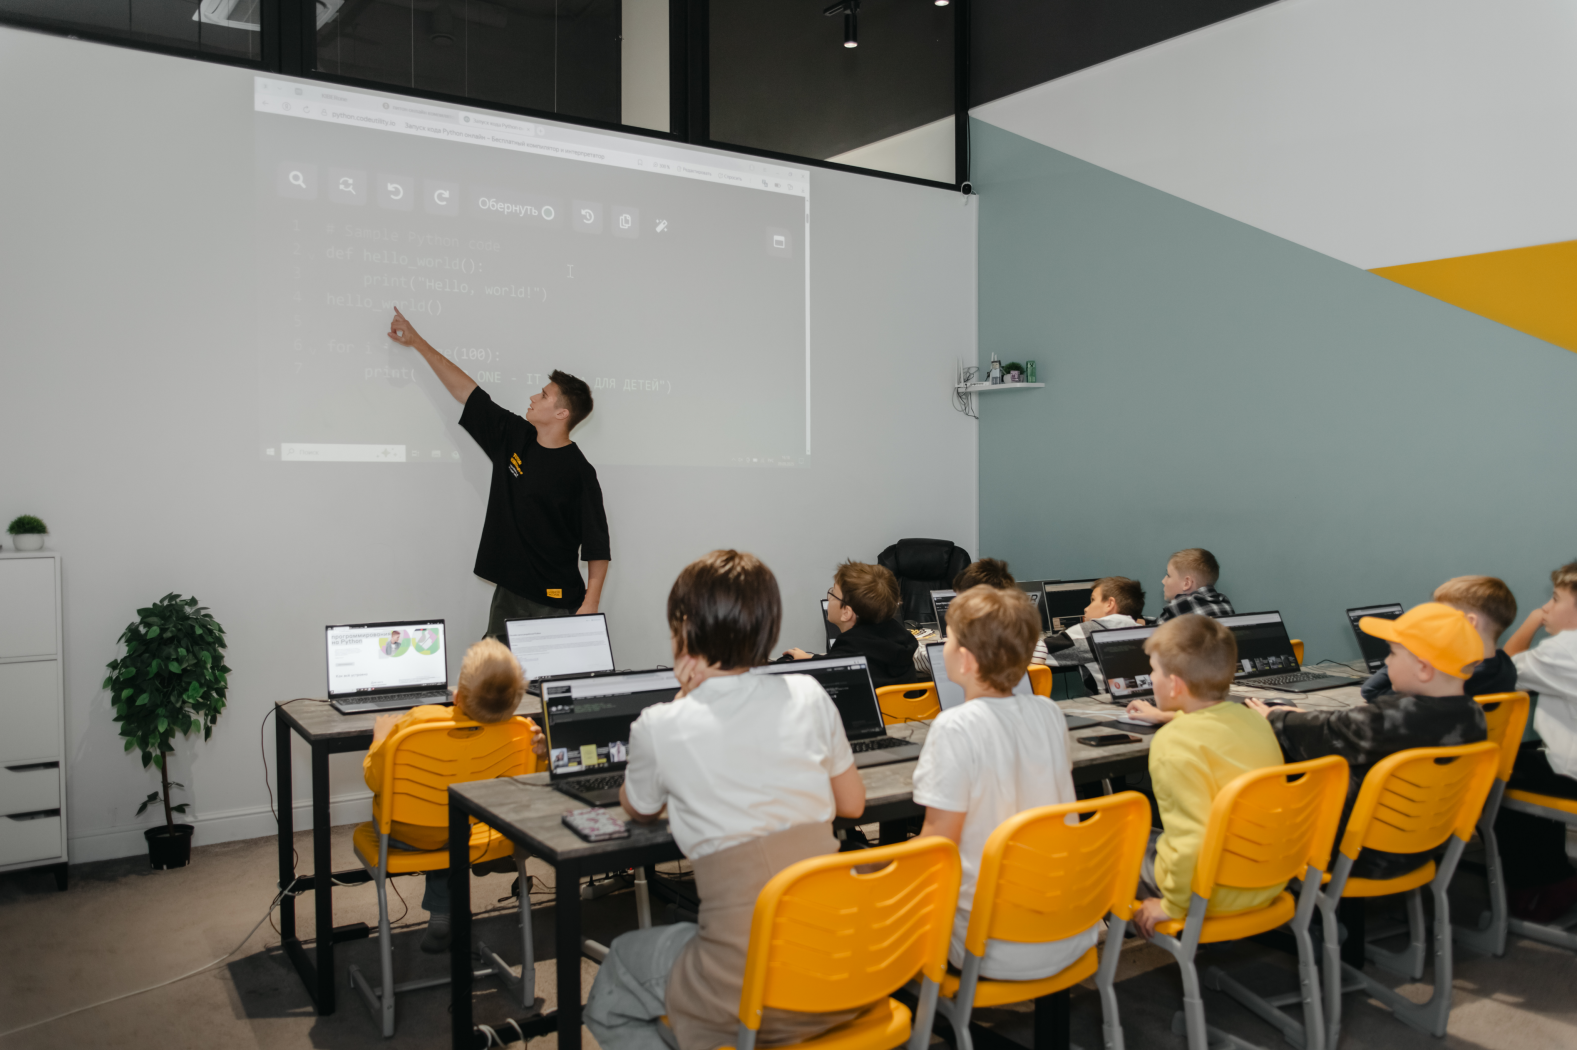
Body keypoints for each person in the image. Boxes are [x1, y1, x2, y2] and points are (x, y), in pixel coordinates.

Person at [584, 551, 867, 1050]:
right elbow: (853, 805)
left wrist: (680, 700)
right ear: (768, 627)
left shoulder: (661, 725)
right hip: (846, 967)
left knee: (614, 981)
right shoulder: (808, 694)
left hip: (751, 988)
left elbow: (639, 806)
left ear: (683, 630)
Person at [387, 308, 610, 639]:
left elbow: (597, 546)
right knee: (494, 671)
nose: (533, 397)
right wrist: (417, 342)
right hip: (509, 594)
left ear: (562, 413)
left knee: (548, 672)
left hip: (556, 602)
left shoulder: (579, 472)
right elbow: (468, 392)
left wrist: (591, 603)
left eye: (544, 395)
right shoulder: (514, 436)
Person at [911, 586, 1095, 977]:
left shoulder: (955, 726)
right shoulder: (1048, 712)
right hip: (1069, 925)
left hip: (992, 941)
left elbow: (937, 845)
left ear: (964, 659)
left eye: (949, 638)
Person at [1246, 603, 1487, 883]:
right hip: (1423, 847)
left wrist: (1275, 716)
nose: (1386, 662)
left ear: (1423, 668)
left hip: (1354, 853)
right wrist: (1300, 715)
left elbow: (1330, 732)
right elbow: (1350, 726)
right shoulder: (1474, 716)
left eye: (1392, 653)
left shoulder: (1388, 718)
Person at [363, 637, 545, 953]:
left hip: (402, 835)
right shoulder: (521, 731)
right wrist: (541, 751)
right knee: (453, 823)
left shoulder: (418, 721)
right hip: (470, 828)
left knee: (439, 819)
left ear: (456, 696)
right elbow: (528, 784)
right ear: (515, 703)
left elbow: (374, 779)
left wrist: (379, 740)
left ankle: (443, 913)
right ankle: (495, 858)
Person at [1132, 615, 1286, 938]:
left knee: (1110, 850)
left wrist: (1172, 905)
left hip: (1212, 893)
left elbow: (1191, 841)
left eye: (1153, 670)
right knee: (1151, 837)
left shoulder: (1173, 743)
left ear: (1174, 684)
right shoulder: (1255, 720)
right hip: (1271, 876)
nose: (1150, 677)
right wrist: (1171, 715)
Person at [1494, 561, 1577, 921]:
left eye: (1555, 599)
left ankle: (1536, 883)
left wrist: (1529, 623)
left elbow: (1504, 671)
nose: (1546, 607)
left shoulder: (1564, 650)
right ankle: (1553, 872)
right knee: (1528, 762)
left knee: (1495, 774)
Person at [1361, 576, 1518, 700]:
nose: (1437, 619)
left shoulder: (1450, 679)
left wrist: (1405, 646)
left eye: (1444, 614)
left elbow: (1372, 690)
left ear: (1470, 622)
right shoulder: (1506, 666)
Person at [780, 560, 921, 687]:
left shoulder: (849, 653)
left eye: (832, 593)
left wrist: (807, 665)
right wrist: (814, 659)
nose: (828, 598)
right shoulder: (899, 645)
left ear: (846, 612)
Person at [1032, 576, 1146, 695]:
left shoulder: (1090, 631)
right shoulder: (1142, 630)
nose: (1086, 608)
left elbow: (1032, 652)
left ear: (1110, 604)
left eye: (1093, 600)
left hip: (1107, 703)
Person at [1154, 548, 1234, 623]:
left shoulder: (1182, 605)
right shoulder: (1224, 602)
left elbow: (1154, 628)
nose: (1163, 581)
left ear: (1186, 583)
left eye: (1168, 575)